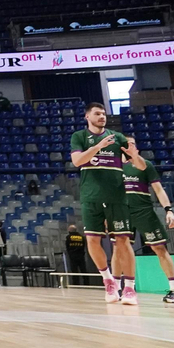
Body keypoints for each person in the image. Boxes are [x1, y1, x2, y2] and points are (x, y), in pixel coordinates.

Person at [69, 102, 137, 305]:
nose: (102, 117)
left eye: (104, 113)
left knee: (123, 242)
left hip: (116, 196)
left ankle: (130, 288)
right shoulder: (79, 137)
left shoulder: (117, 137)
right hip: (91, 196)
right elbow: (77, 161)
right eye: (97, 114)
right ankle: (108, 280)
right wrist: (98, 147)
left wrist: (133, 154)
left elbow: (134, 161)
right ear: (87, 117)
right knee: (92, 240)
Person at [122, 143, 174, 303]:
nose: (129, 147)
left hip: (144, 211)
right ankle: (127, 288)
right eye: (125, 144)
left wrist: (168, 210)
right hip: (123, 212)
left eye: (132, 144)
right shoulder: (115, 168)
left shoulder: (145, 165)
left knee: (159, 248)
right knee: (121, 249)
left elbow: (159, 189)